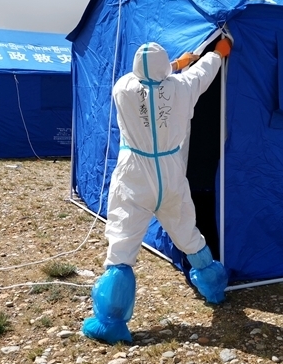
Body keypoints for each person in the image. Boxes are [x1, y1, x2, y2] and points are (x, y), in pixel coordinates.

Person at [82, 36, 233, 344]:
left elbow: (149, 78)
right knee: (188, 235)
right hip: (170, 173)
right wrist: (218, 52)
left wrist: (175, 64)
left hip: (134, 175)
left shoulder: (123, 88)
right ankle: (215, 289)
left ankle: (111, 322)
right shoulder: (183, 87)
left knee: (122, 248)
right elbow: (203, 70)